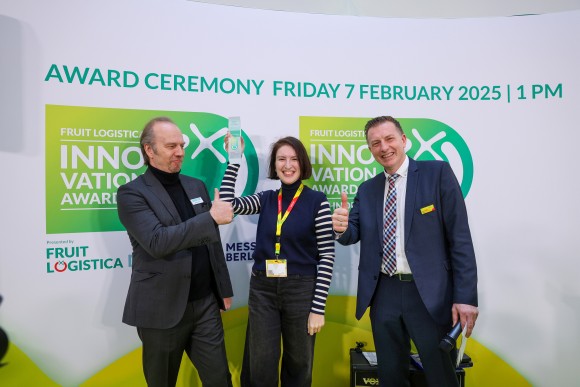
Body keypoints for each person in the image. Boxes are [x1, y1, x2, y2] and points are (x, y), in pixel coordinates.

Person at [332, 116, 478, 387]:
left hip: (429, 295)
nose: (383, 147)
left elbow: (460, 238)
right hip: (383, 292)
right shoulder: (367, 190)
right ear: (370, 149)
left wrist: (466, 296)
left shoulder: (438, 174)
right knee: (390, 376)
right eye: (375, 143)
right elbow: (352, 233)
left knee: (440, 376)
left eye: (389, 139)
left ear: (403, 140)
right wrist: (340, 228)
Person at [117, 117, 235, 387]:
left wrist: (223, 288)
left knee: (220, 380)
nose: (180, 152)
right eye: (171, 146)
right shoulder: (131, 194)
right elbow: (158, 241)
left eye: (181, 145)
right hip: (161, 308)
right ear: (149, 150)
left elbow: (211, 242)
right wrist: (211, 218)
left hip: (205, 304)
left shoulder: (195, 185)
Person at [219, 135, 335, 387]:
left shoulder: (318, 202)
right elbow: (227, 206)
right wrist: (234, 160)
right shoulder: (267, 198)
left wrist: (317, 308)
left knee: (298, 364)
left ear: (302, 164)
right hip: (263, 289)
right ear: (274, 165)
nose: (288, 165)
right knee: (260, 364)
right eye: (281, 159)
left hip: (301, 289)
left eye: (294, 159)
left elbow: (326, 256)